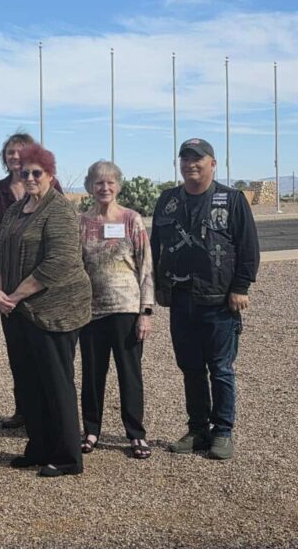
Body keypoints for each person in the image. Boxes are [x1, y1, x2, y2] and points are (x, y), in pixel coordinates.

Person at [151, 138, 259, 460]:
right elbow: (155, 245)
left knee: (221, 369)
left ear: (213, 163)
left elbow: (248, 248)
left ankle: (223, 431)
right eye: (185, 159)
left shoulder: (232, 199)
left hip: (219, 302)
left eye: (198, 159)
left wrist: (241, 287)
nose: (190, 164)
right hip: (181, 300)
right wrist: (156, 285)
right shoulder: (168, 200)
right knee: (191, 369)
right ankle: (198, 430)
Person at [0, 143, 91, 477]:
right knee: (28, 381)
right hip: (16, 311)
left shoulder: (59, 209)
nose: (30, 177)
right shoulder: (15, 210)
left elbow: (59, 261)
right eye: (25, 172)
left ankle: (66, 456)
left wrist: (16, 295)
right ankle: (38, 446)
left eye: (37, 172)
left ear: (50, 174)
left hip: (53, 310)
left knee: (55, 381)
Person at [79, 160, 154, 460]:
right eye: (99, 182)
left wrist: (145, 312)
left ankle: (135, 433)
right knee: (92, 375)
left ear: (118, 186)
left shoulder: (131, 219)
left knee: (130, 374)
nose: (104, 187)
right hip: (91, 312)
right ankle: (91, 430)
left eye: (110, 182)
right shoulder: (80, 222)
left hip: (126, 309)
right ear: (90, 186)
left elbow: (146, 266)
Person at [0, 132, 34, 428]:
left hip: (39, 284)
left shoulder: (47, 184)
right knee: (16, 349)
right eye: (10, 153)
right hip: (8, 283)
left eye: (20, 152)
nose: (15, 157)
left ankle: (46, 407)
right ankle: (23, 408)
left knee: (42, 348)